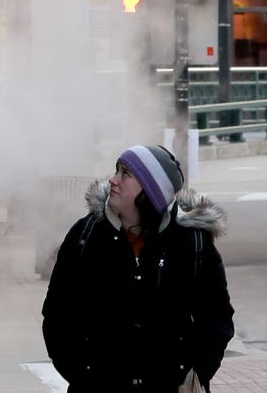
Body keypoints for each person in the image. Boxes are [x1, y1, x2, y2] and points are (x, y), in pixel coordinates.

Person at [41, 144, 235, 392]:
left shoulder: (191, 241)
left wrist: (194, 373)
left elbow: (216, 317)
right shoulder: (87, 235)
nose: (113, 180)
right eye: (116, 170)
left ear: (151, 190)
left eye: (125, 173)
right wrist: (82, 374)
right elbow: (58, 314)